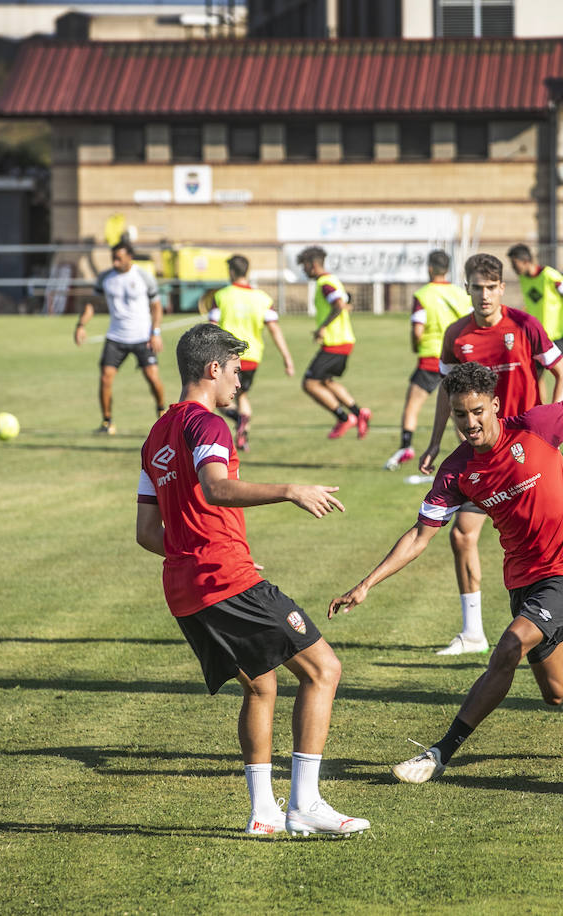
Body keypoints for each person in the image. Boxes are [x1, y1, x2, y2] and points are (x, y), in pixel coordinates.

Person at [330, 362, 563, 784]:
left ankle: (438, 754)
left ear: (494, 405)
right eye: (460, 414)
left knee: (509, 645)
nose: (470, 422)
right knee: (558, 691)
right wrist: (366, 584)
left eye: (477, 411)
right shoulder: (457, 471)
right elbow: (420, 536)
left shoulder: (537, 425)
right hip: (523, 579)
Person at [135, 322, 369, 837]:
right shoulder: (208, 425)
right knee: (323, 670)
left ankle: (263, 814)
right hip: (224, 578)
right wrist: (290, 489)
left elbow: (147, 531)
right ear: (212, 369)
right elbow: (217, 489)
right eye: (236, 371)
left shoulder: (156, 437)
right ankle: (304, 802)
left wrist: (199, 551)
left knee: (261, 688)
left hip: (184, 588)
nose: (239, 382)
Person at [417, 253, 563, 655]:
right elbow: (446, 395)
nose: (484, 294)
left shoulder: (524, 325)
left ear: (502, 288)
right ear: (466, 288)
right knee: (461, 534)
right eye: (476, 286)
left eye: (491, 287)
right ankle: (473, 632)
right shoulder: (456, 335)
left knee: (550, 542)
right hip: (482, 457)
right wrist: (435, 441)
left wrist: (554, 425)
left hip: (525, 451)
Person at [385, 249, 472, 470]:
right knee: (457, 410)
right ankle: (473, 453)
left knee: (413, 403)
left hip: (432, 357)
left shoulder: (423, 295)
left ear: (430, 268)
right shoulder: (461, 294)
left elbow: (417, 330)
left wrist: (416, 346)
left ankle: (406, 446)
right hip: (459, 358)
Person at [74, 241, 166, 435]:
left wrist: (155, 332)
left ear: (129, 257)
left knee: (152, 377)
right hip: (116, 336)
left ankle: (163, 415)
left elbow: (156, 306)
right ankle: (107, 423)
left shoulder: (143, 277)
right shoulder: (105, 278)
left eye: (119, 259)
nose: (115, 263)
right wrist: (81, 325)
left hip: (142, 337)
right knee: (105, 378)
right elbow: (92, 304)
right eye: (113, 258)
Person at [206, 254, 295, 453]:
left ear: (231, 271)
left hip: (227, 356)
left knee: (217, 398)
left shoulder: (222, 296)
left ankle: (239, 419)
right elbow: (274, 329)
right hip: (252, 357)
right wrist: (287, 358)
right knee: (242, 395)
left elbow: (212, 327)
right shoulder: (262, 298)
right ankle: (243, 436)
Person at [296, 246, 371, 440]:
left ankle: (344, 417)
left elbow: (338, 304)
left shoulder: (324, 283)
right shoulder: (333, 280)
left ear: (313, 265)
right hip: (343, 341)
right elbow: (345, 300)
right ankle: (359, 412)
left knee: (309, 383)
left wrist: (323, 327)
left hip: (335, 342)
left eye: (304, 267)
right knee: (326, 381)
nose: (304, 271)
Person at [507, 243, 563, 361]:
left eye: (514, 264)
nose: (513, 268)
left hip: (557, 334)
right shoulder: (523, 278)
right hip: (536, 334)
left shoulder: (549, 275)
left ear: (525, 261)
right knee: (536, 374)